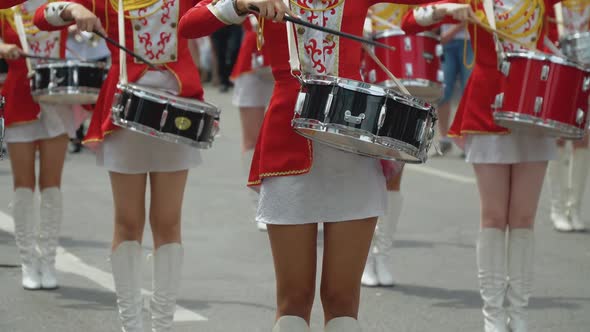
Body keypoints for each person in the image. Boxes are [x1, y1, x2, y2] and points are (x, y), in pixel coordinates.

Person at [179, 0, 431, 331]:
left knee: (343, 299)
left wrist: (440, 13)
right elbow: (188, 26)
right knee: (293, 299)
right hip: (289, 144)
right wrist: (241, 4)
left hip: (353, 147)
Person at [35, 0, 203, 330]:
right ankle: (132, 325)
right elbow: (42, 17)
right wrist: (72, 10)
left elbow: (214, 11)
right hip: (124, 110)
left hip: (179, 110)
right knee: (127, 222)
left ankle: (162, 325)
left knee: (168, 223)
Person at [402, 1, 561, 331]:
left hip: (536, 106)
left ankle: (518, 313)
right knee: (493, 216)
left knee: (523, 217)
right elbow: (410, 22)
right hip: (489, 104)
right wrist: (446, 9)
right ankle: (492, 314)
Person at [1, 0, 77, 290]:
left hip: (57, 99)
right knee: (23, 185)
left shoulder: (62, 6)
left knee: (52, 185)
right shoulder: (6, 7)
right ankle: (27, 262)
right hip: (19, 100)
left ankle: (48, 260)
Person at [360, 3, 410, 288]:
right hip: (362, 82)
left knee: (395, 175)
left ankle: (383, 256)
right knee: (365, 175)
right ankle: (365, 257)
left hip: (399, 81)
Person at [547, 0, 589, 232]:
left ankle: (575, 208)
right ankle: (557, 207)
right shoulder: (550, 3)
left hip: (587, 74)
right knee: (559, 138)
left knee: (583, 140)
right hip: (560, 71)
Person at [231, 14, 273, 231]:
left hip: (289, 59)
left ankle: (289, 202)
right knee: (252, 139)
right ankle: (259, 205)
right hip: (252, 59)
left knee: (293, 135)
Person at [65, 26, 110, 153]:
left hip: (97, 50)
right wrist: (68, 28)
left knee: (98, 96)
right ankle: (76, 135)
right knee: (75, 96)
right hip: (73, 51)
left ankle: (99, 133)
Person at [437, 23, 473, 154]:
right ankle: (444, 138)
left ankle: (466, 138)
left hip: (468, 40)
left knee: (469, 91)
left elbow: (471, 11)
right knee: (442, 90)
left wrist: (450, 32)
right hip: (446, 42)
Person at [211, 24, 242, 92]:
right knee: (220, 52)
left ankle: (232, 76)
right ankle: (224, 81)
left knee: (234, 49)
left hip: (234, 21)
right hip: (218, 21)